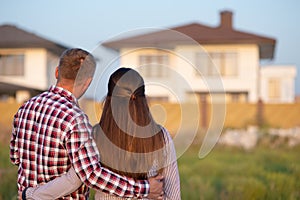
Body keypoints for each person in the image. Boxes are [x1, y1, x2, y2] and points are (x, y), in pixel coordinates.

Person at [10, 49, 164, 199]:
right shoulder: (75, 118)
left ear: (57, 72)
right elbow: (91, 174)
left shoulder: (25, 107)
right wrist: (145, 188)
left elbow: (15, 157)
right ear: (88, 81)